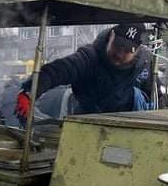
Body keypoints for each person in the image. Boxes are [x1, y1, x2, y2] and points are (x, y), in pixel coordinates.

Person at [16, 23, 154, 121]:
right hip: (87, 122)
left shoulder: (145, 64)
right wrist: (29, 92)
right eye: (118, 46)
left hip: (129, 125)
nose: (120, 53)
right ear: (111, 36)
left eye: (127, 51)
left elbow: (155, 98)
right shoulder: (89, 57)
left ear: (137, 50)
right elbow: (58, 71)